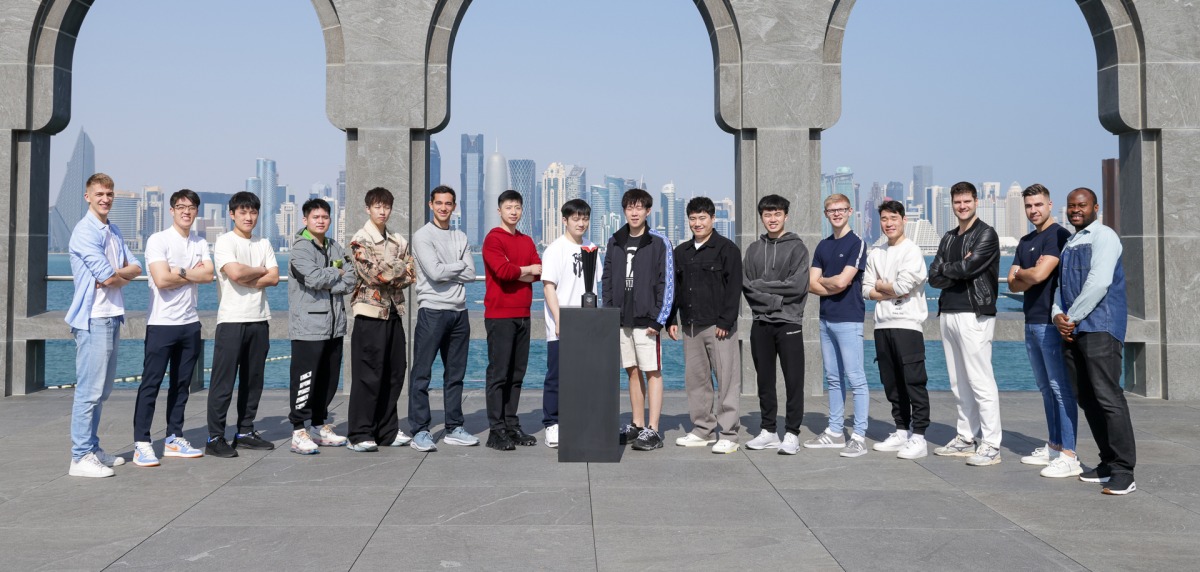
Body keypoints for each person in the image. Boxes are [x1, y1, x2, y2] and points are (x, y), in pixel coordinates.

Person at [1053, 187, 1136, 495]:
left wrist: (1070, 317)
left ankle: (1124, 470)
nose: (1076, 210)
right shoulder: (1071, 242)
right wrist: (1057, 316)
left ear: (1095, 207)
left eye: (1082, 205)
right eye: (1072, 205)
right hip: (1073, 330)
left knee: (1108, 398)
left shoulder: (1104, 237)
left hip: (1100, 327)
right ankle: (1107, 462)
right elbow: (1060, 288)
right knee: (1087, 398)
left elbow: (1099, 282)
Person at [66, 173, 142, 477]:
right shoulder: (84, 232)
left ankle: (92, 448)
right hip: (92, 319)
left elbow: (137, 266)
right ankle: (80, 455)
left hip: (112, 315)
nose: (105, 199)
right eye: (99, 194)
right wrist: (118, 275)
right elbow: (109, 277)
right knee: (88, 390)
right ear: (88, 197)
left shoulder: (114, 229)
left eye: (109, 194)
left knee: (103, 390)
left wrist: (116, 275)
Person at [133, 189, 214, 467]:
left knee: (182, 385)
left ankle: (173, 438)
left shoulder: (200, 241)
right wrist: (189, 273)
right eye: (181, 206)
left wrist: (178, 271)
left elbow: (209, 275)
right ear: (171, 210)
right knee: (151, 384)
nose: (186, 211)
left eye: (191, 207)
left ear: (196, 211)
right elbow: (161, 279)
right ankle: (142, 443)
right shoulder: (158, 240)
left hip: (189, 323)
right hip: (161, 324)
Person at [928, 181, 1003, 467]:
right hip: (947, 312)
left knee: (980, 381)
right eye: (958, 202)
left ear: (976, 201)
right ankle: (965, 437)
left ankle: (992, 444)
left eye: (967, 202)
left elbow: (970, 268)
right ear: (952, 204)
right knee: (959, 383)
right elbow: (933, 276)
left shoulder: (986, 234)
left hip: (975, 313)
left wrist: (951, 268)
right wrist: (953, 269)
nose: (962, 207)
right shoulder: (948, 237)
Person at [1007, 184, 1078, 478]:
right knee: (1045, 388)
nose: (1033, 210)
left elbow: (1037, 274)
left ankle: (1069, 454)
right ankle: (1053, 445)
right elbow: (1012, 283)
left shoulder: (1058, 235)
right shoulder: (1025, 241)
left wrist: (1025, 273)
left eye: (1038, 204)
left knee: (1060, 389)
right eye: (1028, 206)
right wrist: (1027, 274)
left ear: (1050, 204)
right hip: (1030, 320)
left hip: (1051, 323)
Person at [205, 192, 280, 458]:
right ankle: (215, 437)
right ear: (232, 213)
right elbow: (235, 274)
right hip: (232, 321)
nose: (249, 217)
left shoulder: (264, 242)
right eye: (243, 212)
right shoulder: (224, 241)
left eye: (253, 212)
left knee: (253, 381)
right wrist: (259, 270)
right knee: (223, 383)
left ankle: (245, 431)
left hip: (260, 319)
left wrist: (251, 275)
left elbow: (274, 278)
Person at [667, 196, 742, 454]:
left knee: (727, 379)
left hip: (718, 326)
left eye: (702, 218)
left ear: (712, 219)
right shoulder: (681, 252)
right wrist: (671, 320)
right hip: (690, 325)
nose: (697, 223)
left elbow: (734, 289)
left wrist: (726, 320)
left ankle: (729, 433)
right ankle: (702, 429)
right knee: (696, 380)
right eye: (693, 218)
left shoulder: (726, 249)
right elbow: (674, 289)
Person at [602, 188, 674, 452]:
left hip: (648, 320)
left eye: (639, 208)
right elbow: (607, 279)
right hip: (622, 319)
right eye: (630, 208)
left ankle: (652, 429)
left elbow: (667, 282)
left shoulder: (659, 242)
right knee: (631, 370)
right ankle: (636, 423)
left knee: (652, 371)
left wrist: (659, 319)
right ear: (624, 211)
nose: (634, 212)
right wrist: (609, 312)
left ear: (647, 211)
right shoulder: (615, 240)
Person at [346, 187, 416, 452]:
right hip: (370, 314)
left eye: (386, 206)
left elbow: (411, 273)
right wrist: (396, 267)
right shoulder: (360, 239)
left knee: (395, 373)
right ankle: (360, 432)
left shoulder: (397, 239)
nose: (382, 211)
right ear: (368, 209)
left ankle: (386, 430)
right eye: (377, 206)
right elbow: (373, 275)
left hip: (394, 312)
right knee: (368, 375)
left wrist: (393, 268)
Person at [409, 185, 478, 451]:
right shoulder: (422, 236)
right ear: (430, 205)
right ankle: (420, 430)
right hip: (432, 311)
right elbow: (435, 274)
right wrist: (457, 265)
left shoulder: (460, 236)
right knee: (422, 374)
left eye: (448, 203)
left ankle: (454, 427)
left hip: (459, 313)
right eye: (438, 203)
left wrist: (450, 268)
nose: (443, 208)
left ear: (454, 206)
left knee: (455, 374)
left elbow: (471, 274)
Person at [287, 198, 357, 455]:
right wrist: (335, 274)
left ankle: (318, 425)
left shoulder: (334, 246)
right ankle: (298, 429)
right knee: (306, 380)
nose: (320, 220)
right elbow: (313, 278)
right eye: (315, 217)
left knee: (328, 380)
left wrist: (333, 276)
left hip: (334, 325)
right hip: (309, 326)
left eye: (325, 217)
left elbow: (351, 278)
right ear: (305, 220)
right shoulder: (300, 249)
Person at [742, 194, 810, 455]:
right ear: (762, 217)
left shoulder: (798, 248)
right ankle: (768, 430)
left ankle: (792, 433)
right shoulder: (753, 249)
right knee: (765, 380)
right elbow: (747, 286)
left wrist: (764, 290)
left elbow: (797, 286)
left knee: (794, 380)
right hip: (760, 322)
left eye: (777, 214)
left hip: (789, 321)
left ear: (785, 216)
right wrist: (773, 299)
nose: (772, 219)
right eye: (768, 214)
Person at [864, 201, 931, 460]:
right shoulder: (876, 251)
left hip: (908, 325)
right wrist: (884, 289)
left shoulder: (912, 251)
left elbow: (903, 287)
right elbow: (864, 289)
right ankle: (901, 430)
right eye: (884, 218)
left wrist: (880, 287)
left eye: (893, 218)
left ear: (903, 219)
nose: (889, 223)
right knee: (891, 383)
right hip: (882, 325)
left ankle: (920, 436)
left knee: (914, 381)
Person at [804, 193, 870, 457]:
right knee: (833, 378)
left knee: (856, 379)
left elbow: (842, 282)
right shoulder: (822, 246)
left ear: (850, 211)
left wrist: (828, 282)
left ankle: (859, 436)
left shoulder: (857, 244)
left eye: (841, 209)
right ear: (826, 214)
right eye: (831, 210)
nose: (836, 214)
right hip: (825, 319)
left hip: (849, 319)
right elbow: (810, 284)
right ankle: (834, 431)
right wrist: (834, 282)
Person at [481, 190, 541, 451]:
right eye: (508, 207)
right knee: (498, 374)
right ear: (499, 211)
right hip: (499, 316)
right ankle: (496, 430)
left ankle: (511, 424)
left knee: (517, 375)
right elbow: (503, 272)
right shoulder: (493, 239)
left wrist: (519, 271)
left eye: (517, 207)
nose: (513, 211)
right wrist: (523, 270)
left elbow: (539, 271)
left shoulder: (527, 240)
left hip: (523, 315)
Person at [541, 198, 596, 449]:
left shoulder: (592, 248)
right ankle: (552, 423)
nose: (580, 223)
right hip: (561, 324)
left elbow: (597, 289)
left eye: (584, 218)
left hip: (588, 323)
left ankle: (579, 420)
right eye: (575, 218)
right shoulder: (555, 249)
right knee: (557, 376)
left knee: (584, 376)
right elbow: (549, 287)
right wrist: (560, 319)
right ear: (565, 220)